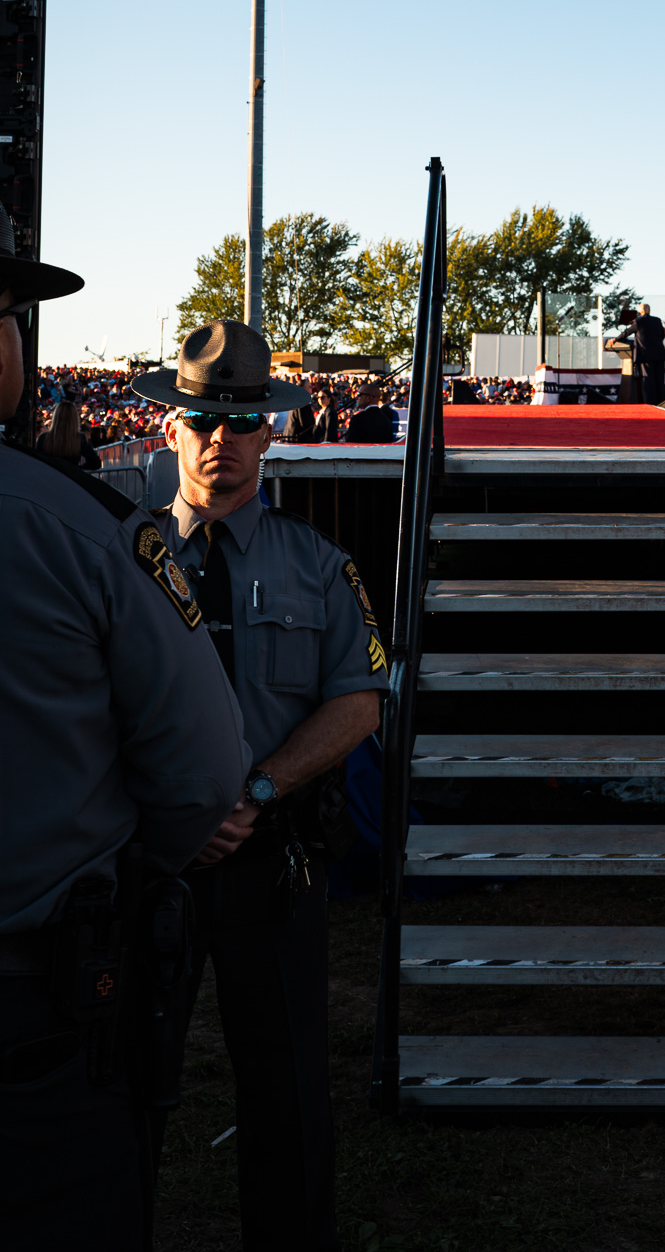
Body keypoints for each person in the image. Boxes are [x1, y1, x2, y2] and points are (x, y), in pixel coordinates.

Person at [0, 205, 249, 1252]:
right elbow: (202, 770)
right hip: (32, 1018)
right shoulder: (83, 527)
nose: (222, 439)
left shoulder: (319, 568)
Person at [133, 322, 386, 1251]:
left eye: (241, 423)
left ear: (270, 433)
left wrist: (256, 796)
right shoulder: (122, 561)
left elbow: (358, 702)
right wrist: (177, 814)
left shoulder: (320, 568)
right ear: (170, 428)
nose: (220, 441)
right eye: (201, 420)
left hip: (270, 864)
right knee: (121, 1085)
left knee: (285, 1091)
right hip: (143, 865)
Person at [36, 397, 101, 470]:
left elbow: (37, 461)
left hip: (49, 477)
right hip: (69, 477)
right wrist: (76, 470)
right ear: (74, 419)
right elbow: (95, 463)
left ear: (56, 417)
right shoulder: (80, 438)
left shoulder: (44, 437)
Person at [630, 301, 665, 404]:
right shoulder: (657, 320)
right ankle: (661, 404)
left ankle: (650, 404)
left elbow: (626, 333)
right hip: (659, 354)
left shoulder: (638, 321)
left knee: (648, 381)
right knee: (659, 380)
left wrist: (615, 339)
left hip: (646, 355)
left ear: (640, 311)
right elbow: (662, 335)